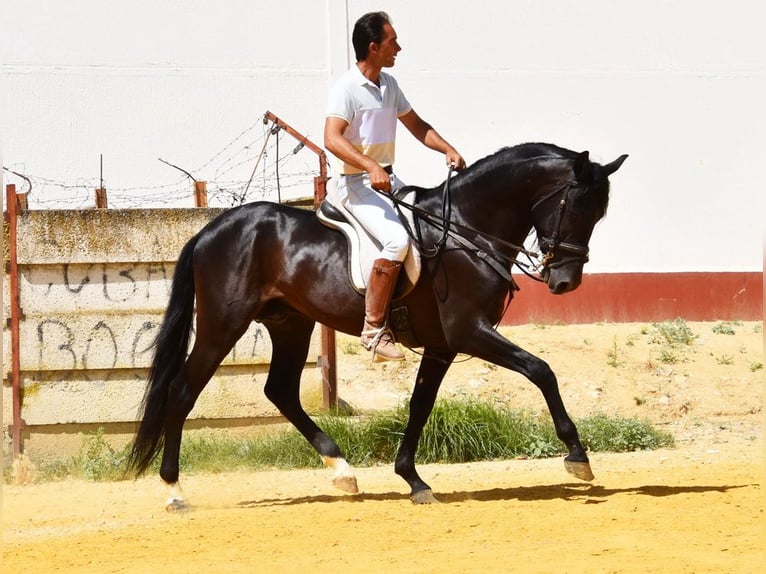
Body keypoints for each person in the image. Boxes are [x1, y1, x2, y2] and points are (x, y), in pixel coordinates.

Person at [324, 11, 465, 362]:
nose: (398, 48)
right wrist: (369, 165)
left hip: (386, 178)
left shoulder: (389, 86)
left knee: (427, 227)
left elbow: (417, 126)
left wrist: (447, 148)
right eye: (392, 42)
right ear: (374, 48)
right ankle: (373, 329)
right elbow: (331, 138)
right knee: (397, 240)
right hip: (353, 183)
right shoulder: (346, 89)